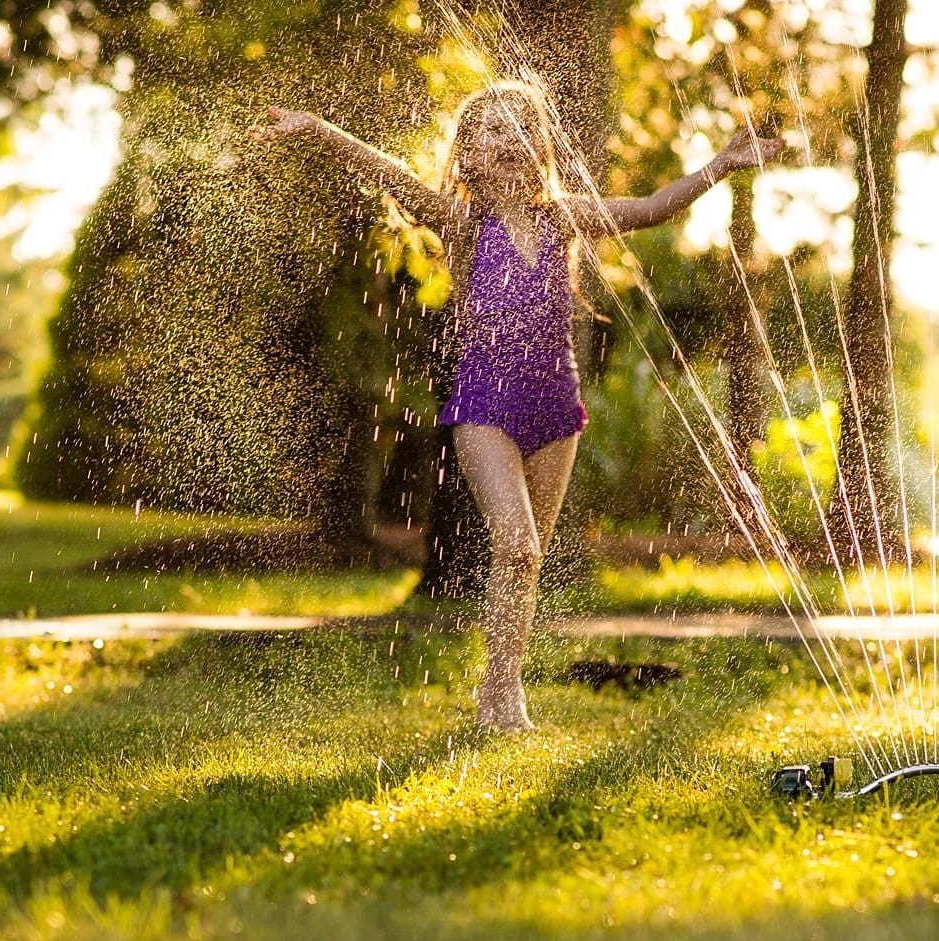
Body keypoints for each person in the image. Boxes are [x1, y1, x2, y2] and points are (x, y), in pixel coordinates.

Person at [252, 82, 780, 731]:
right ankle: (502, 695)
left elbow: (648, 207)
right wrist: (318, 128)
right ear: (468, 154)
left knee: (524, 561)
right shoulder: (462, 222)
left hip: (556, 412)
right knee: (519, 543)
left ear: (544, 148)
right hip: (484, 407)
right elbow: (389, 171)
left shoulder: (563, 217)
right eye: (494, 130)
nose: (510, 141)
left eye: (523, 128)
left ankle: (501, 689)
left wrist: (721, 165)